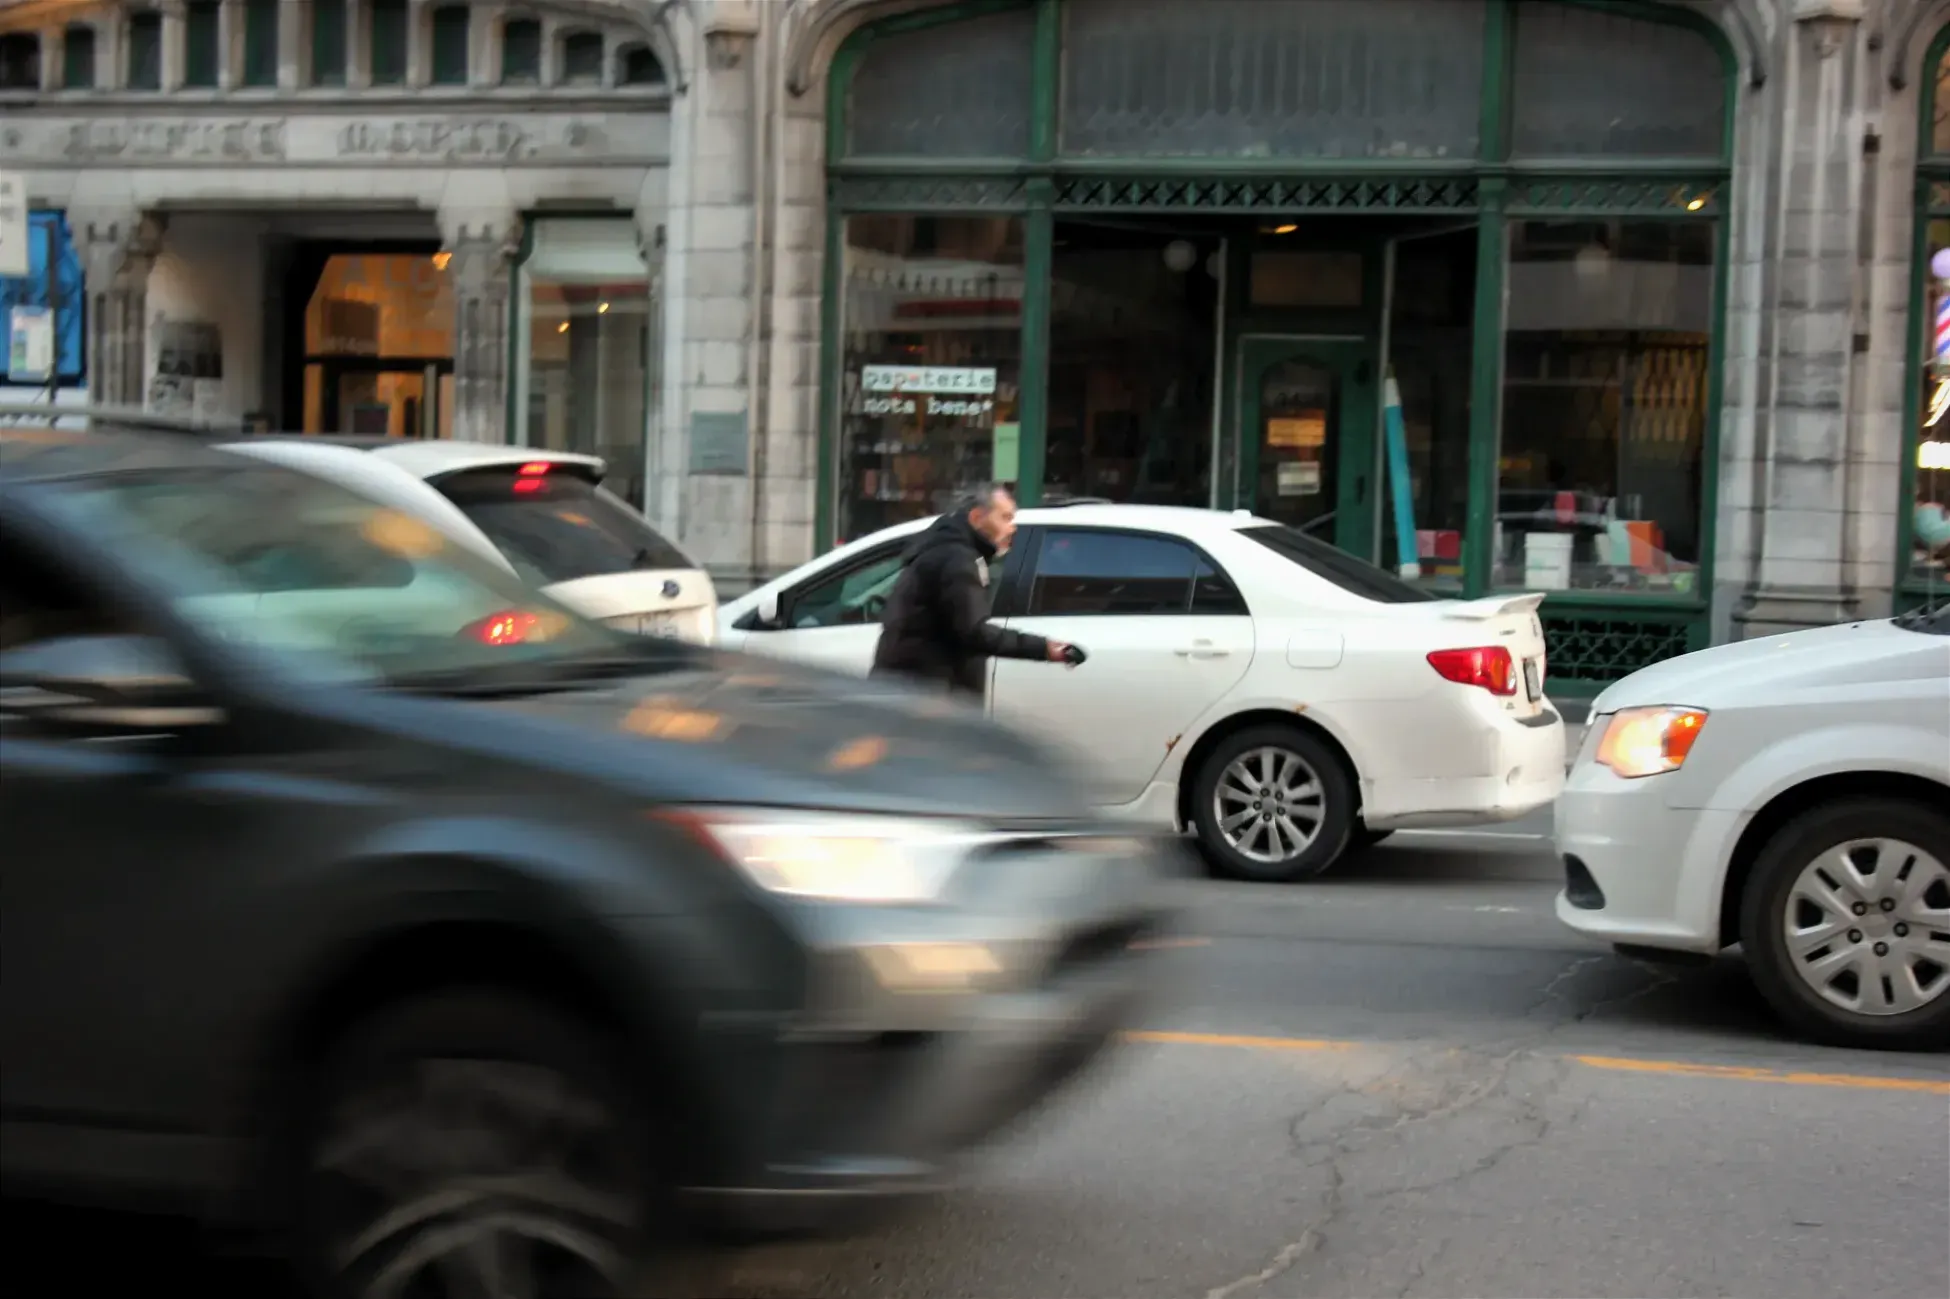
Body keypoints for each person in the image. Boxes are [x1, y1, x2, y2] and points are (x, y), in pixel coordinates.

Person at [871, 483, 1076, 697]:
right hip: (926, 694)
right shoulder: (957, 560)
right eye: (1005, 518)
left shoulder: (948, 549)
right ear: (977, 517)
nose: (1012, 528)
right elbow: (974, 632)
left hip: (918, 688)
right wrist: (1043, 648)